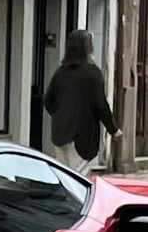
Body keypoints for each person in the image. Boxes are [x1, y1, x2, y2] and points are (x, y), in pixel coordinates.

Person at [43, 26, 117, 174]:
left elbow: (48, 101)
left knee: (64, 178)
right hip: (82, 137)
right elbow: (100, 105)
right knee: (79, 181)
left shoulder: (60, 73)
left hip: (60, 134)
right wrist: (113, 129)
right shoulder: (92, 73)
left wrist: (61, 116)